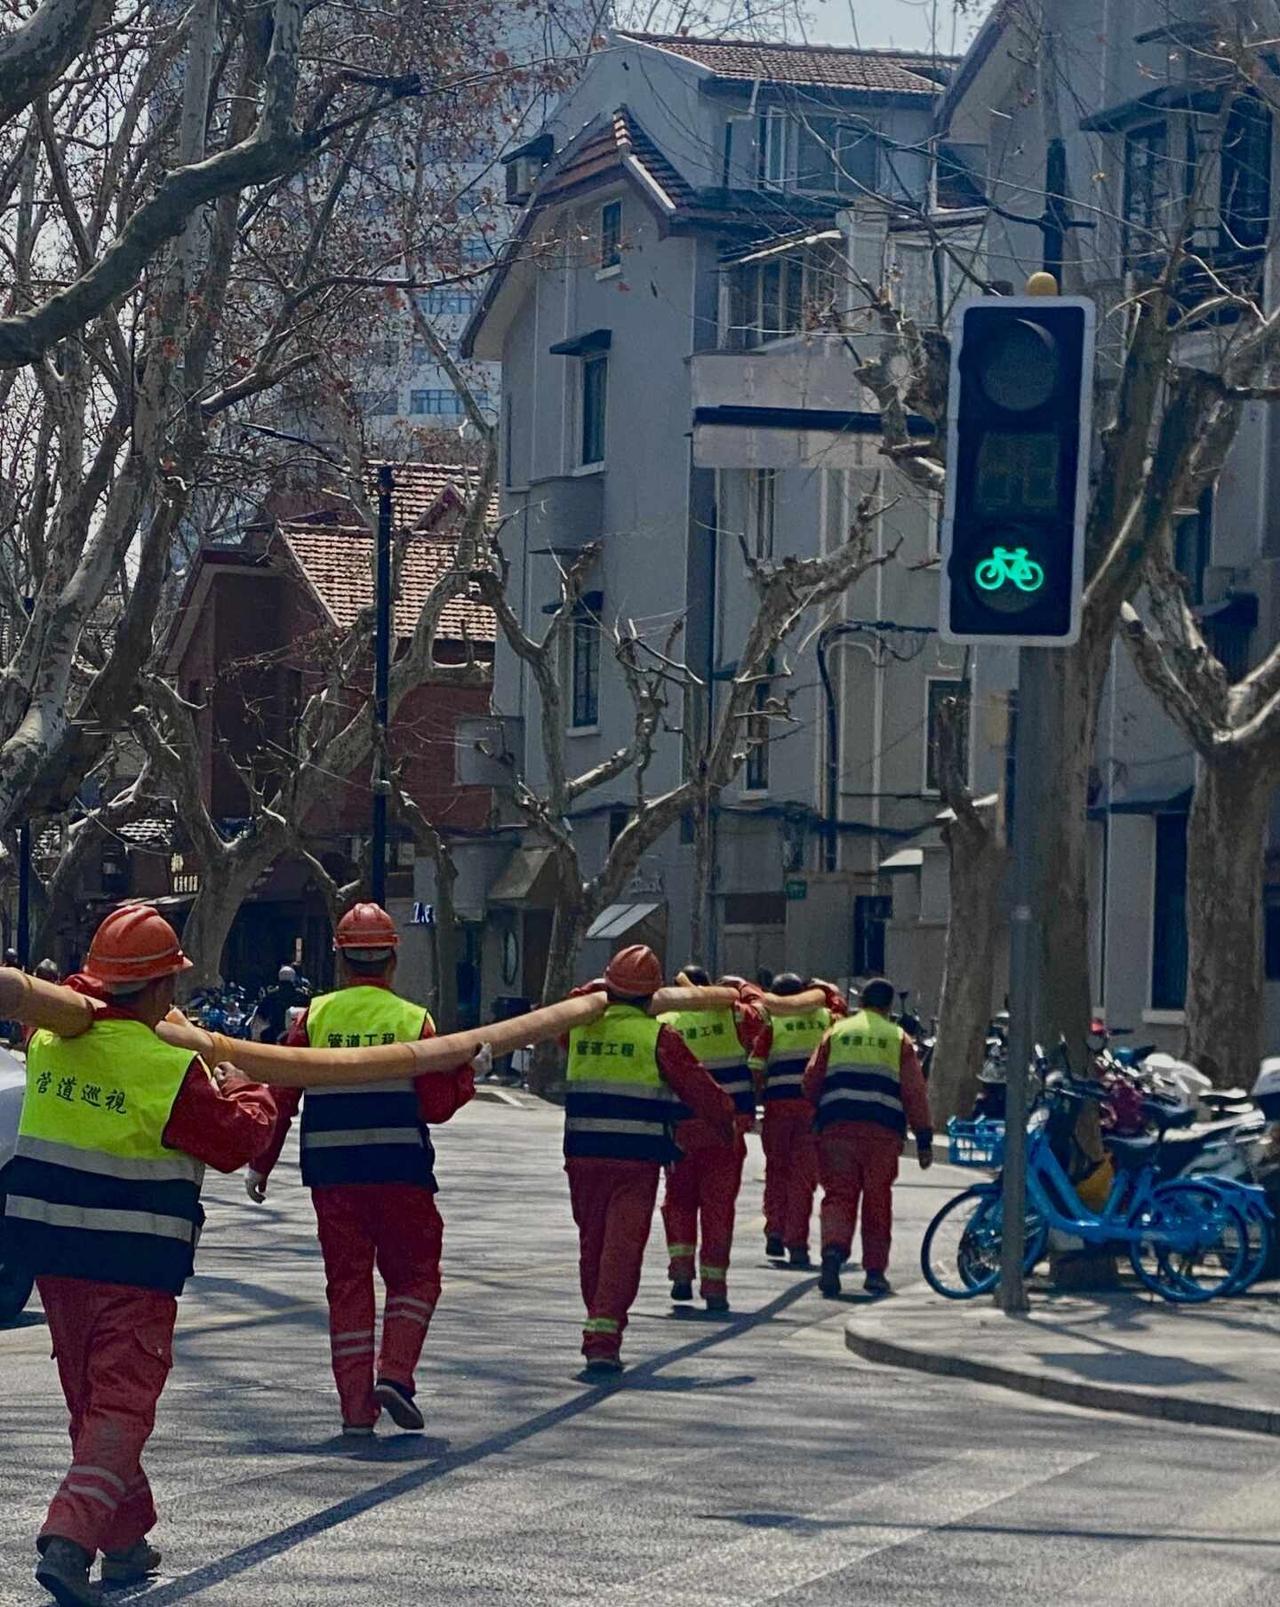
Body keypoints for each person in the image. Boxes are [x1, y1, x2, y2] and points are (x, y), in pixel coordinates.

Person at [0, 904, 276, 1607]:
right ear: (160, 991)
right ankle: (69, 1538)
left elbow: (48, 1011)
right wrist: (244, 1079)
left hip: (53, 1261)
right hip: (132, 1265)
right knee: (121, 1405)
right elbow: (237, 1139)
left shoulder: (48, 1044)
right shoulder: (170, 1067)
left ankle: (124, 1539)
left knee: (94, 1403)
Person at [246, 903, 486, 1437]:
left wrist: (261, 1162)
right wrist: (468, 1074)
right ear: (392, 959)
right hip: (400, 1172)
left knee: (347, 1285)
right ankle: (395, 1375)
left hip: (333, 1179)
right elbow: (435, 1106)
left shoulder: (316, 1017)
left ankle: (356, 1408)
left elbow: (282, 1091)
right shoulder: (411, 1020)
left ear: (341, 959)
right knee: (416, 1275)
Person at [564, 945, 734, 1374]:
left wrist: (592, 990)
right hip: (635, 1161)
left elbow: (566, 1009)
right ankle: (603, 1337)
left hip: (583, 1156)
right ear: (652, 995)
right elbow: (700, 1088)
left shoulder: (579, 1026)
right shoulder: (659, 1037)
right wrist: (725, 1122)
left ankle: (597, 1321)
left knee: (594, 1245)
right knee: (621, 1248)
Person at [802, 975, 934, 1299]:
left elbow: (811, 1080)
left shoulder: (836, 1032)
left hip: (837, 1129)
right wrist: (924, 1137)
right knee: (877, 1201)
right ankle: (874, 1272)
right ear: (889, 1007)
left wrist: (817, 1114)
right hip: (882, 1134)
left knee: (838, 1196)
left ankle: (832, 1253)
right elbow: (914, 1092)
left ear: (860, 1003)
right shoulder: (898, 1038)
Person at [658, 965, 758, 1313]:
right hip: (725, 1131)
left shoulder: (666, 1022)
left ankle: (681, 1274)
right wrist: (740, 985)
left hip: (680, 1132)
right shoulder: (734, 1016)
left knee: (680, 1202)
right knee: (718, 1209)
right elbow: (764, 1015)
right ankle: (714, 1287)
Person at [747, 973, 831, 1268]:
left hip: (778, 1107)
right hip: (812, 1108)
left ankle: (775, 1231)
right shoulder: (825, 1018)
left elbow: (757, 1065)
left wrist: (752, 1099)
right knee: (803, 1178)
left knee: (777, 1171)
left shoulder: (772, 1020)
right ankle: (797, 1243)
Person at [250, 964, 308, 1044]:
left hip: (273, 1037)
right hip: (297, 1037)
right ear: (293, 978)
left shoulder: (270, 998)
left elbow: (259, 1020)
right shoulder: (302, 997)